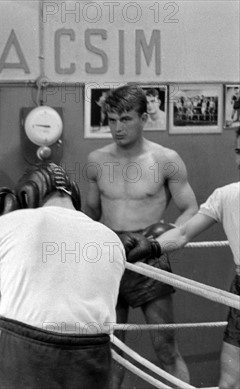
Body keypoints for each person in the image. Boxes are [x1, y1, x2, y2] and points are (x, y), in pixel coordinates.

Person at [86, 84, 198, 388]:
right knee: (110, 350)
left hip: (150, 258)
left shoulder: (165, 159)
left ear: (143, 117)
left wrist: (164, 240)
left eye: (125, 119)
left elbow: (191, 208)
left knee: (165, 347)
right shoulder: (96, 160)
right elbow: (90, 215)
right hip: (110, 258)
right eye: (111, 120)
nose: (117, 128)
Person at [0, 163, 126, 388]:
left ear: (26, 196)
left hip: (26, 347)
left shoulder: (4, 225)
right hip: (92, 353)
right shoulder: (112, 240)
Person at [122, 128, 240, 389]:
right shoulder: (227, 196)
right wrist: (150, 248)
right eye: (238, 151)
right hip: (239, 290)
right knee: (230, 383)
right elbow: (184, 232)